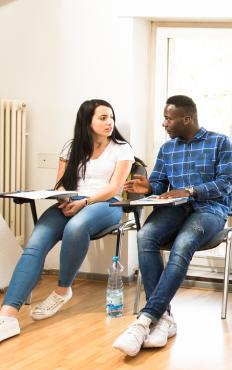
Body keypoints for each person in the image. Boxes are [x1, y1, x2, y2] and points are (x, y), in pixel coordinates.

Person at [0, 99, 134, 343]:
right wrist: (63, 199)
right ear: (87, 121)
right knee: (34, 245)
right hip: (72, 202)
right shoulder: (72, 147)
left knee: (76, 227)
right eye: (102, 118)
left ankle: (63, 290)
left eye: (111, 117)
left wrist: (84, 202)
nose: (109, 122)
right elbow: (61, 183)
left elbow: (115, 187)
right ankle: (7, 316)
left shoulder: (122, 148)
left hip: (106, 204)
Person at [112, 95, 232, 356]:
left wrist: (190, 191)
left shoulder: (220, 142)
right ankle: (164, 317)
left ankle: (145, 319)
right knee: (145, 235)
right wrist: (147, 188)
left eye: (168, 118)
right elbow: (158, 184)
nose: (164, 123)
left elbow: (226, 184)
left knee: (184, 242)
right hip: (173, 210)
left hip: (210, 210)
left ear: (187, 119)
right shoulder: (167, 149)